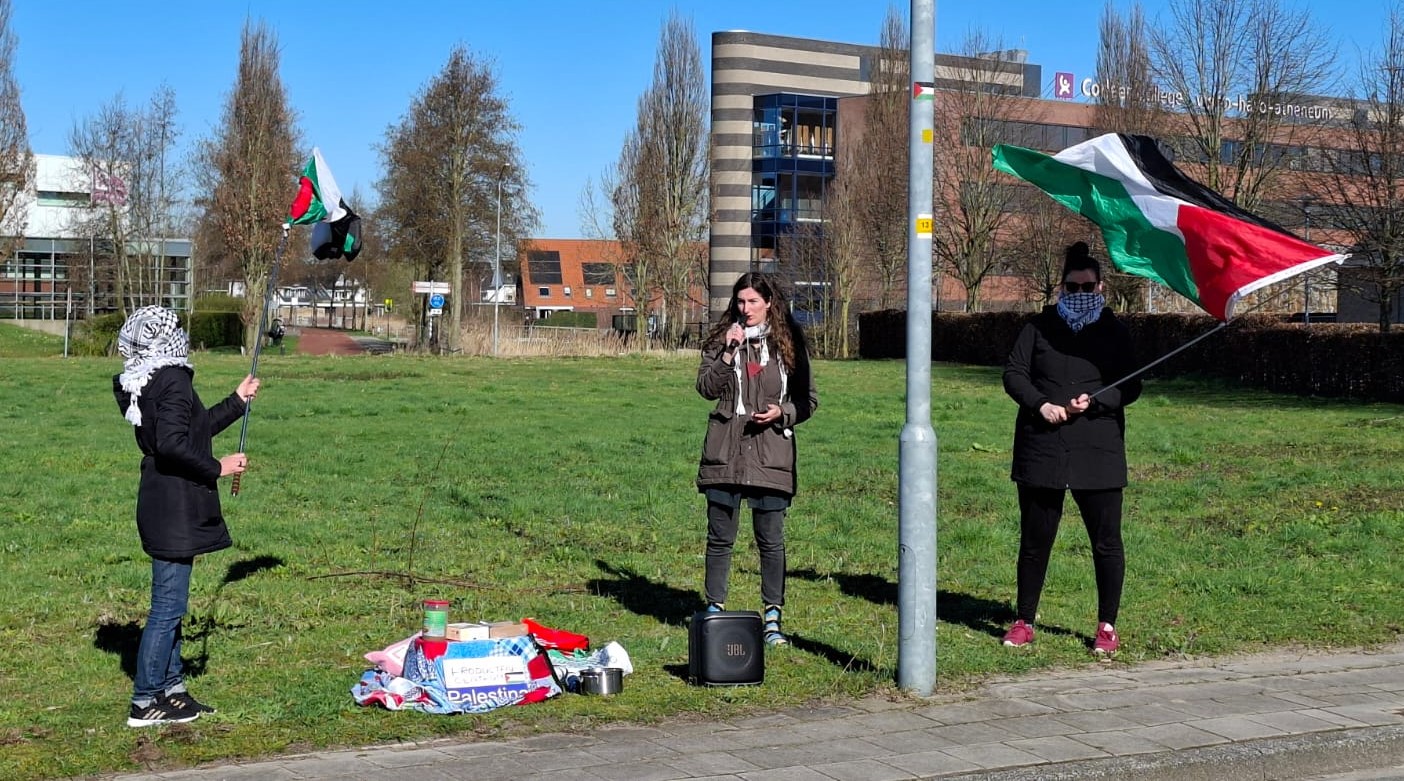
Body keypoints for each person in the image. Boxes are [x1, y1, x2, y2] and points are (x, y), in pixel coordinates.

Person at [112, 305, 259, 727]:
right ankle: (145, 700)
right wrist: (219, 468)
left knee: (174, 606)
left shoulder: (145, 378)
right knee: (167, 608)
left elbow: (190, 431)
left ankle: (172, 690)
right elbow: (176, 445)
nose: (182, 336)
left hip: (163, 501)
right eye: (175, 330)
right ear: (163, 340)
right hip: (174, 507)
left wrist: (236, 401)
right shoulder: (172, 379)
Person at [1001, 241, 1142, 656]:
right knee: (1035, 539)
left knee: (1106, 541)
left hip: (1097, 451)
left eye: (1088, 287)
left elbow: (1131, 384)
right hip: (1042, 448)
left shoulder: (1115, 332)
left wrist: (1097, 401)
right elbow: (1014, 374)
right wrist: (1040, 404)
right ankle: (1024, 620)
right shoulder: (1036, 328)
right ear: (1060, 288)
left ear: (1101, 288)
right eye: (1072, 287)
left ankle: (1106, 625)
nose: (1080, 294)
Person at [695, 273, 818, 646]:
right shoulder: (721, 341)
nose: (744, 309)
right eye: (740, 302)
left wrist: (782, 413)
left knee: (771, 541)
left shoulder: (789, 344)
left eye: (751, 302)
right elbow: (706, 388)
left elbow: (808, 401)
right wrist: (729, 351)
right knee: (720, 539)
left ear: (768, 303)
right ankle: (714, 610)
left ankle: (772, 620)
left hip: (770, 456)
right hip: (725, 454)